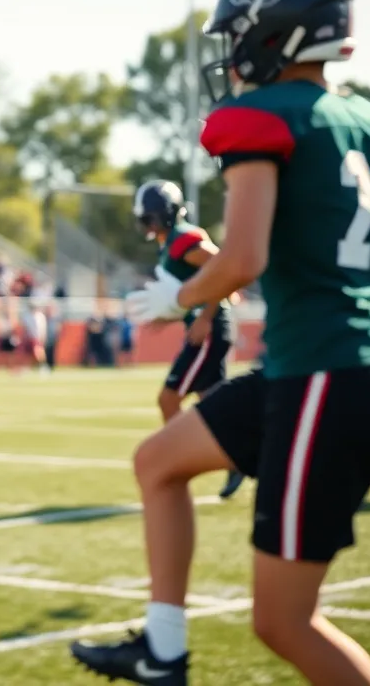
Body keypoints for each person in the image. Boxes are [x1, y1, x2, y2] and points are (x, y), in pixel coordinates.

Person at [70, 0, 370, 685]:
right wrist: (354, 325)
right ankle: (163, 650)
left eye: (238, 33)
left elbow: (242, 258)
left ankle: (164, 651)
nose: (232, 51)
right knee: (158, 461)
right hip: (335, 368)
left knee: (282, 622)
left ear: (272, 34)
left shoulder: (262, 116)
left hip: (326, 375)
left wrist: (179, 298)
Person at [129, 179, 242, 499]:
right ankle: (241, 456)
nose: (149, 224)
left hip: (210, 327)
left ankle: (177, 467)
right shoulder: (170, 243)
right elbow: (198, 287)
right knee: (213, 403)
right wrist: (169, 316)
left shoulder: (183, 239)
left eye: (152, 216)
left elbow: (224, 268)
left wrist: (205, 316)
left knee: (169, 399)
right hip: (206, 325)